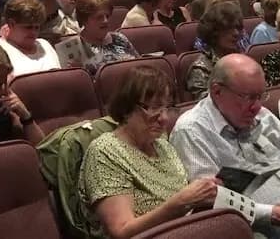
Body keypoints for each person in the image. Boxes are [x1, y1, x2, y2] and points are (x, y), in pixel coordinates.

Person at [171, 54, 280, 238]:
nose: (256, 107)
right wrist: (274, 214)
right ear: (217, 91)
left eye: (260, 96)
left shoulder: (261, 115)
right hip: (263, 228)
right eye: (248, 97)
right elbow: (210, 199)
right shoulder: (192, 130)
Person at [80, 66, 219, 239]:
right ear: (127, 107)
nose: (164, 118)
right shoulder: (105, 152)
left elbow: (185, 205)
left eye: (167, 108)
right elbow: (121, 231)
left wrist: (202, 195)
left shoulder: (162, 144)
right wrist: (179, 204)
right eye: (154, 108)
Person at [75, 0, 140, 76]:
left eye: (107, 16)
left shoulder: (120, 38)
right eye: (99, 17)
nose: (105, 21)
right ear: (84, 20)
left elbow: (139, 67)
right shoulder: (74, 48)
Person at [186, 2, 243, 99]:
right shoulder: (201, 68)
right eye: (229, 28)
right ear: (213, 32)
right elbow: (205, 105)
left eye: (237, 28)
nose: (236, 33)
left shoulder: (242, 60)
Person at [0, 0, 61, 77]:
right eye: (28, 27)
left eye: (37, 27)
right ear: (12, 24)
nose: (34, 32)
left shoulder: (45, 44)